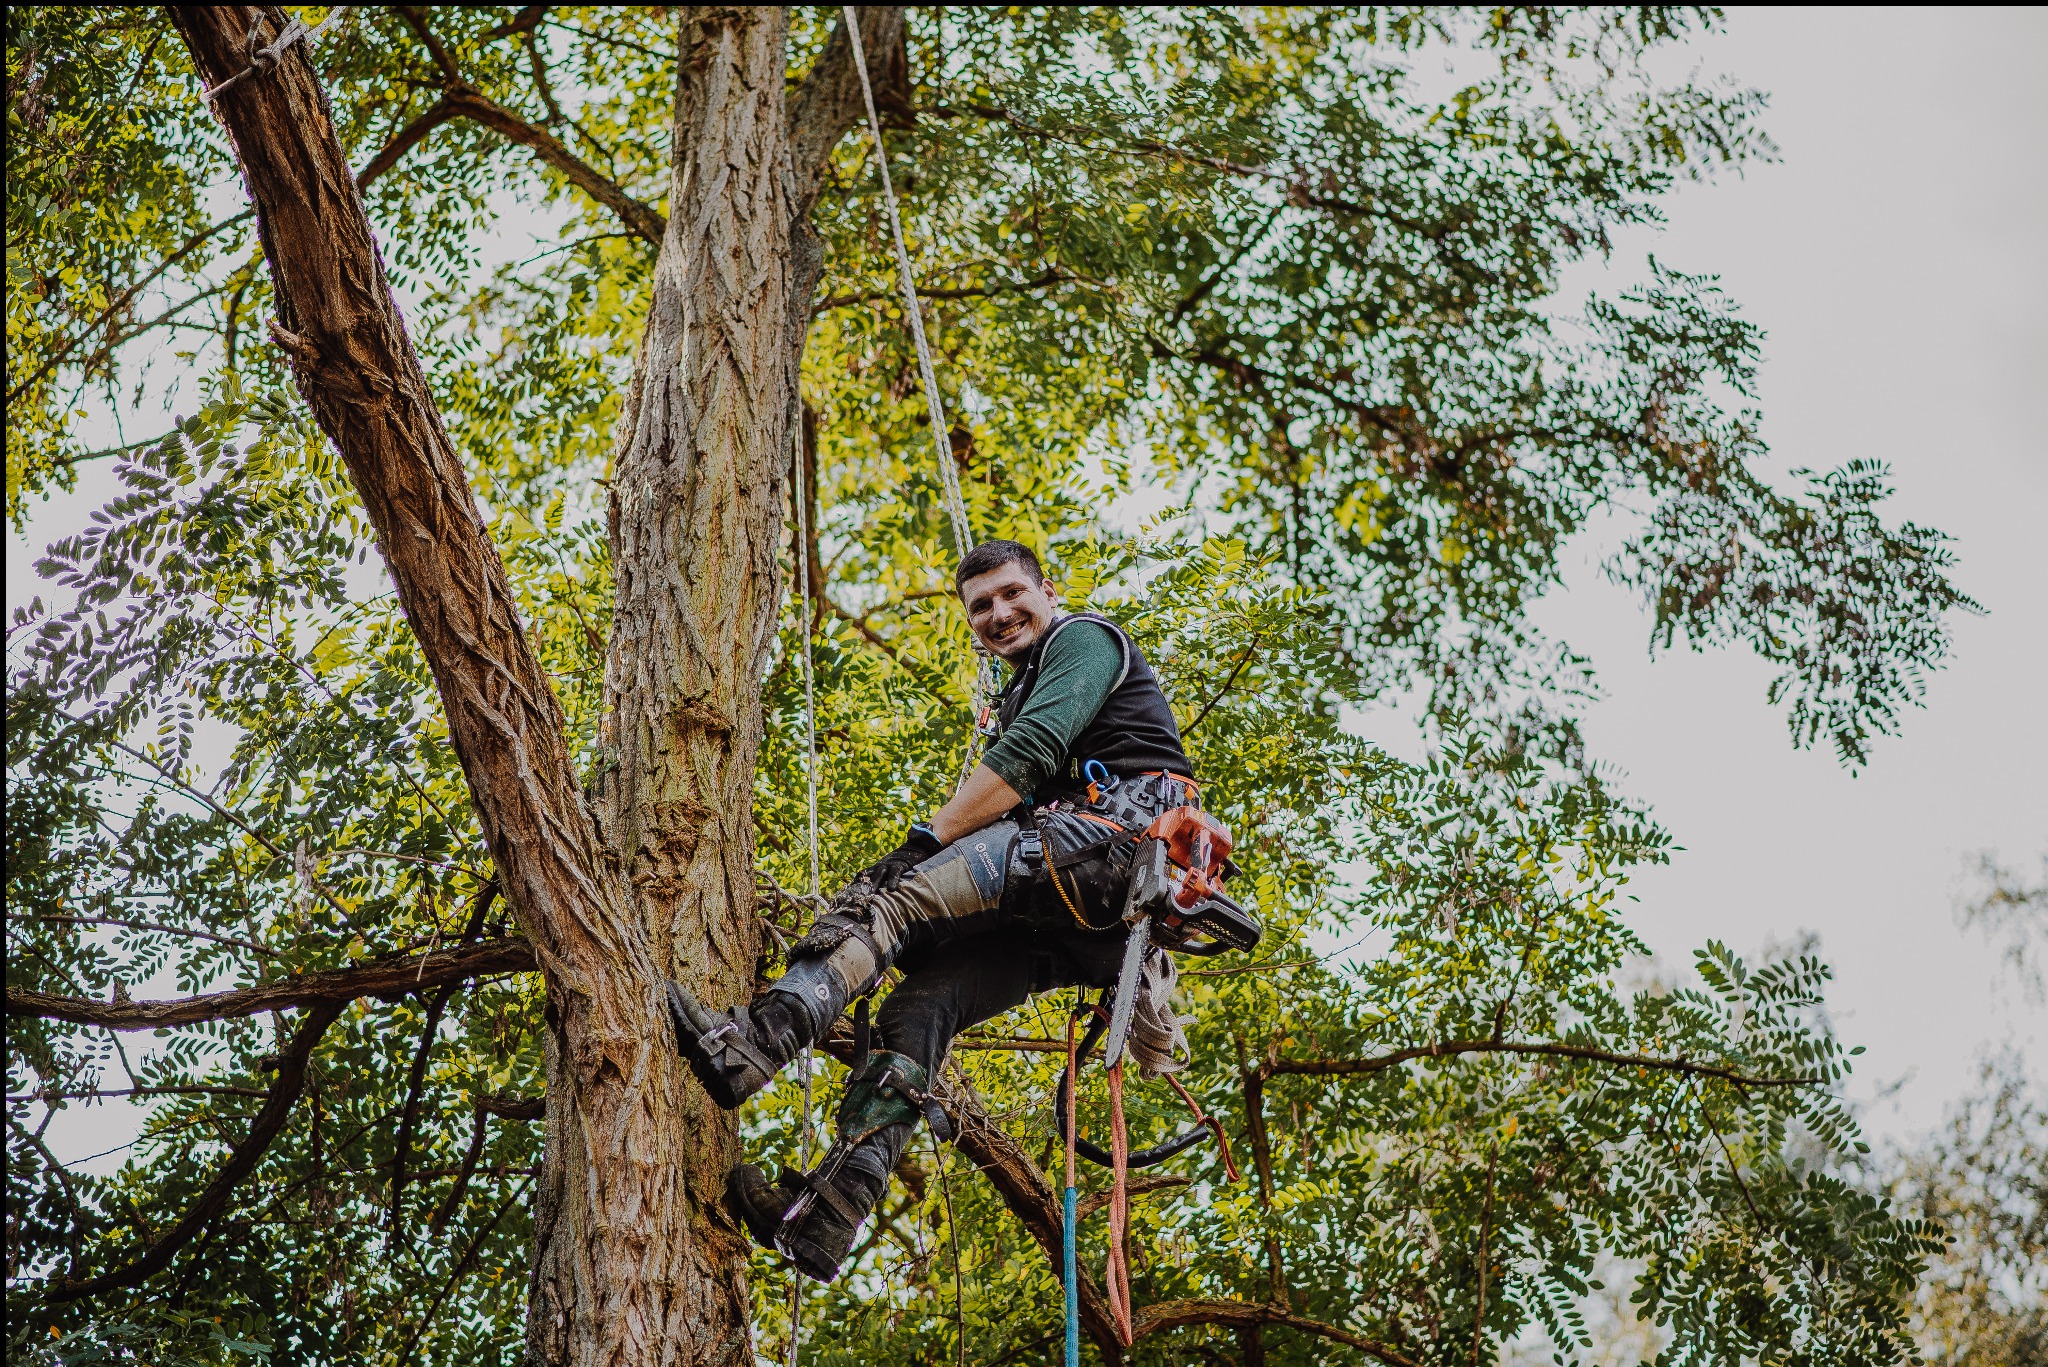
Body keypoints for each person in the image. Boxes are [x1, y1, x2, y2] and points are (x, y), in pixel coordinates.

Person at [668, 538, 1215, 1281]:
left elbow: (1030, 753)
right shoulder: (1024, 682)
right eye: (981, 606)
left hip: (1106, 852)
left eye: (1012, 594)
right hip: (1092, 920)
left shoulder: (1084, 638)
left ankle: (753, 1043)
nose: (999, 612)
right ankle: (833, 1210)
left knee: (888, 902)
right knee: (919, 1008)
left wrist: (925, 841)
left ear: (1047, 591)